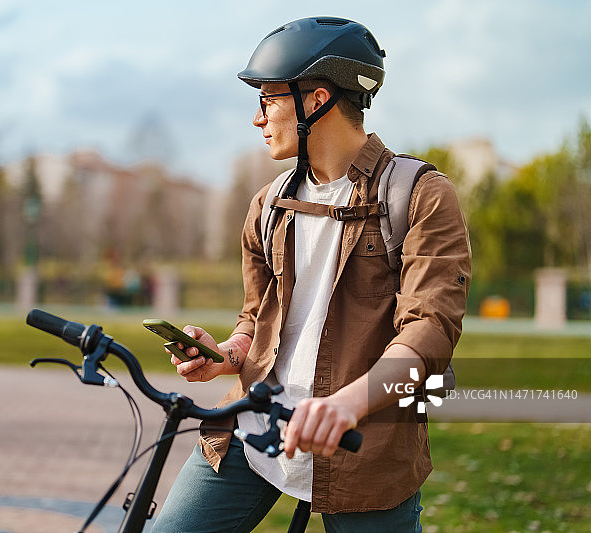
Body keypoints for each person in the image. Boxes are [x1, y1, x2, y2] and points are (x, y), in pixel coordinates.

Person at [151, 16, 471, 532]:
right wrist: (227, 355)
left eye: (267, 100)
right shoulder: (268, 205)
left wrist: (346, 405)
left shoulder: (419, 196)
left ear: (315, 100)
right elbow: (257, 313)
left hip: (364, 451)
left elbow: (429, 329)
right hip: (251, 432)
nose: (258, 119)